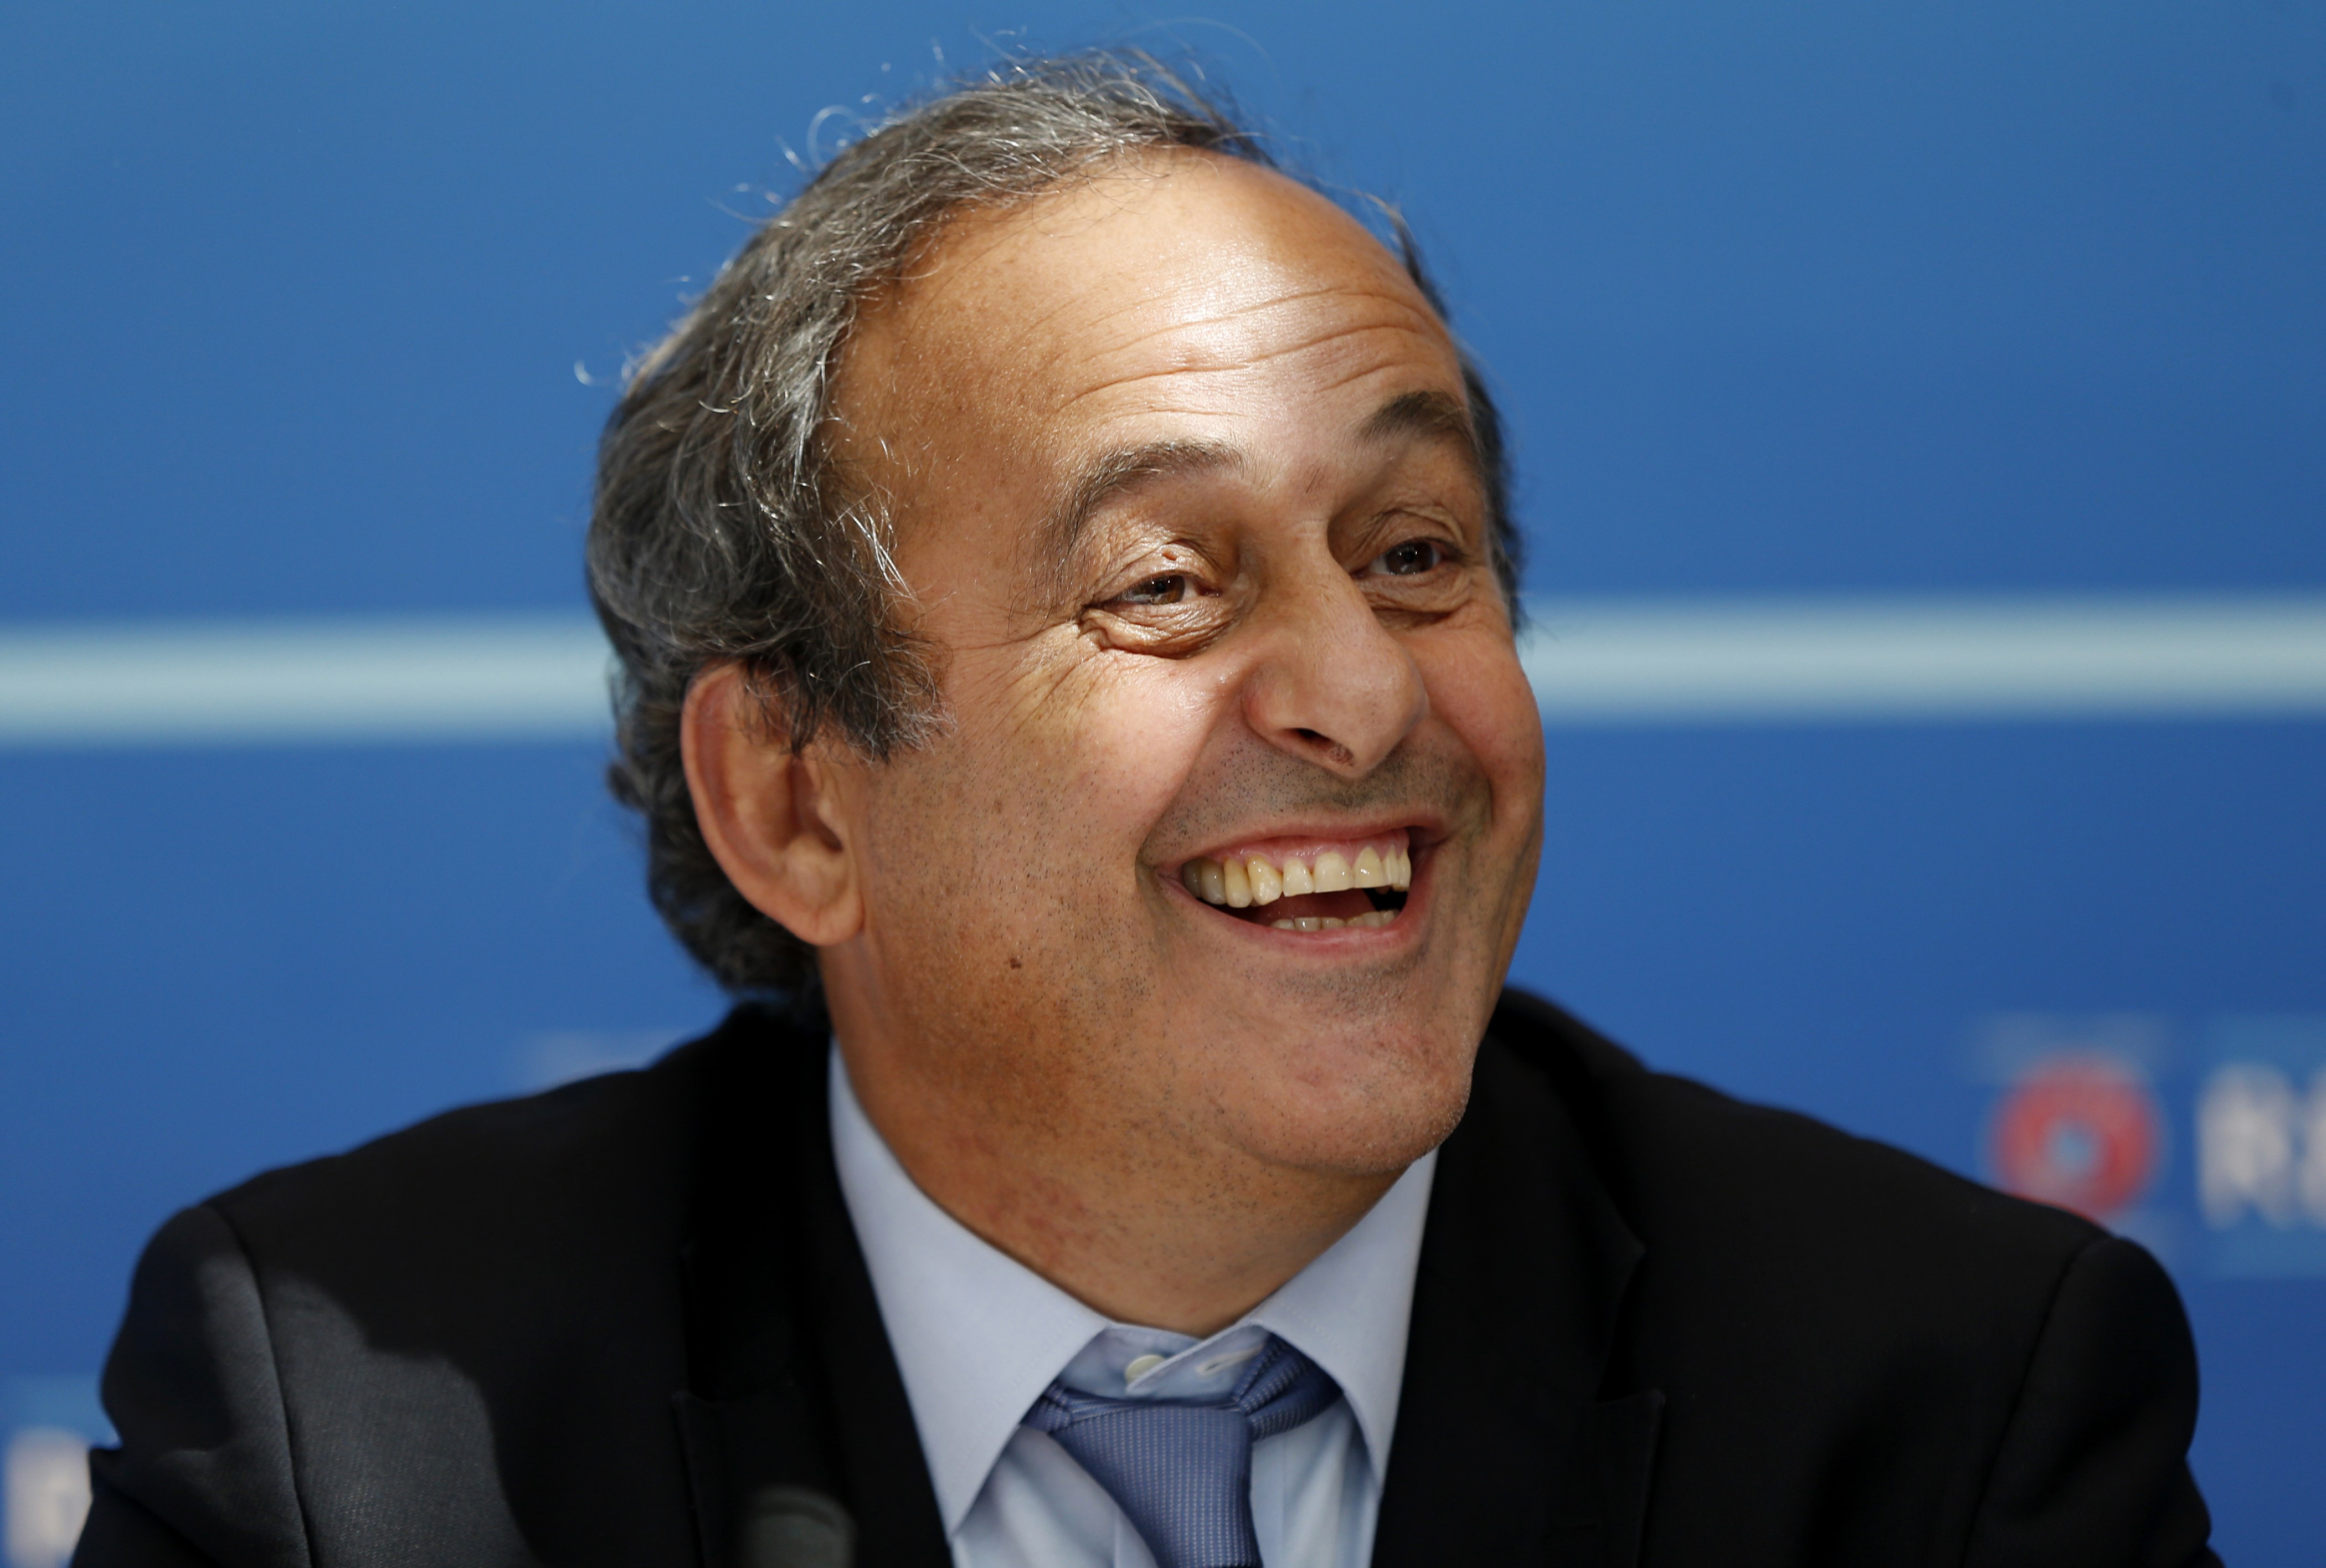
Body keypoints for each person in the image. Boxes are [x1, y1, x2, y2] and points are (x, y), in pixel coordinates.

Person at [74, 53, 2216, 1568]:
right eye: (1167, 585)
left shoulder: (1941, 1406)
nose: (1367, 692)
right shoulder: (357, 1446)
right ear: (795, 795)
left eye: (1415, 555)